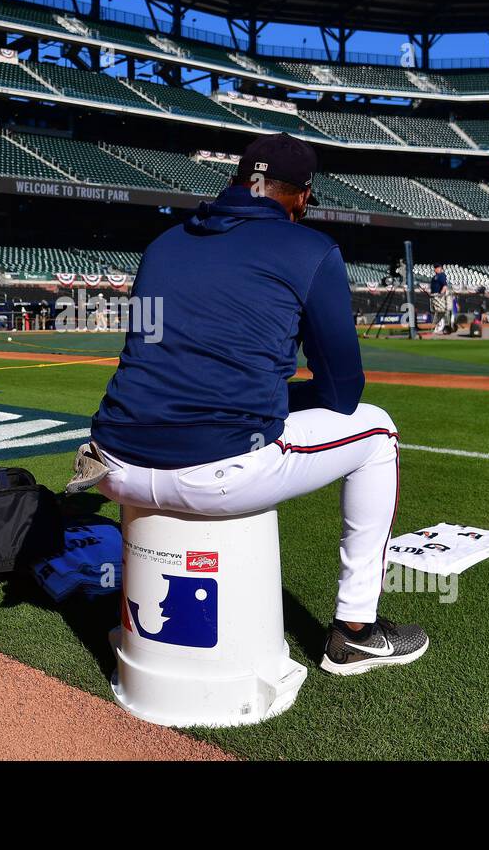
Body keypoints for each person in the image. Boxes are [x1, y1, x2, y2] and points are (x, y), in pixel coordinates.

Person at [84, 132, 426, 676]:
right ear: (302, 196)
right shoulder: (310, 249)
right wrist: (274, 394)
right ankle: (357, 632)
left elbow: (157, 359)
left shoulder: (164, 243)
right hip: (215, 470)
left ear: (239, 180)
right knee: (378, 432)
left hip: (112, 462)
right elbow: (344, 392)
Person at [429, 263, 450, 334]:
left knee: (439, 311)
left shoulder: (441, 275)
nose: (435, 269)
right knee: (436, 311)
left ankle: (440, 327)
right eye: (435, 267)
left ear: (440, 268)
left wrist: (441, 294)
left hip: (438, 295)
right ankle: (440, 326)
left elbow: (445, 286)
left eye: (436, 267)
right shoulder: (435, 276)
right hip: (434, 295)